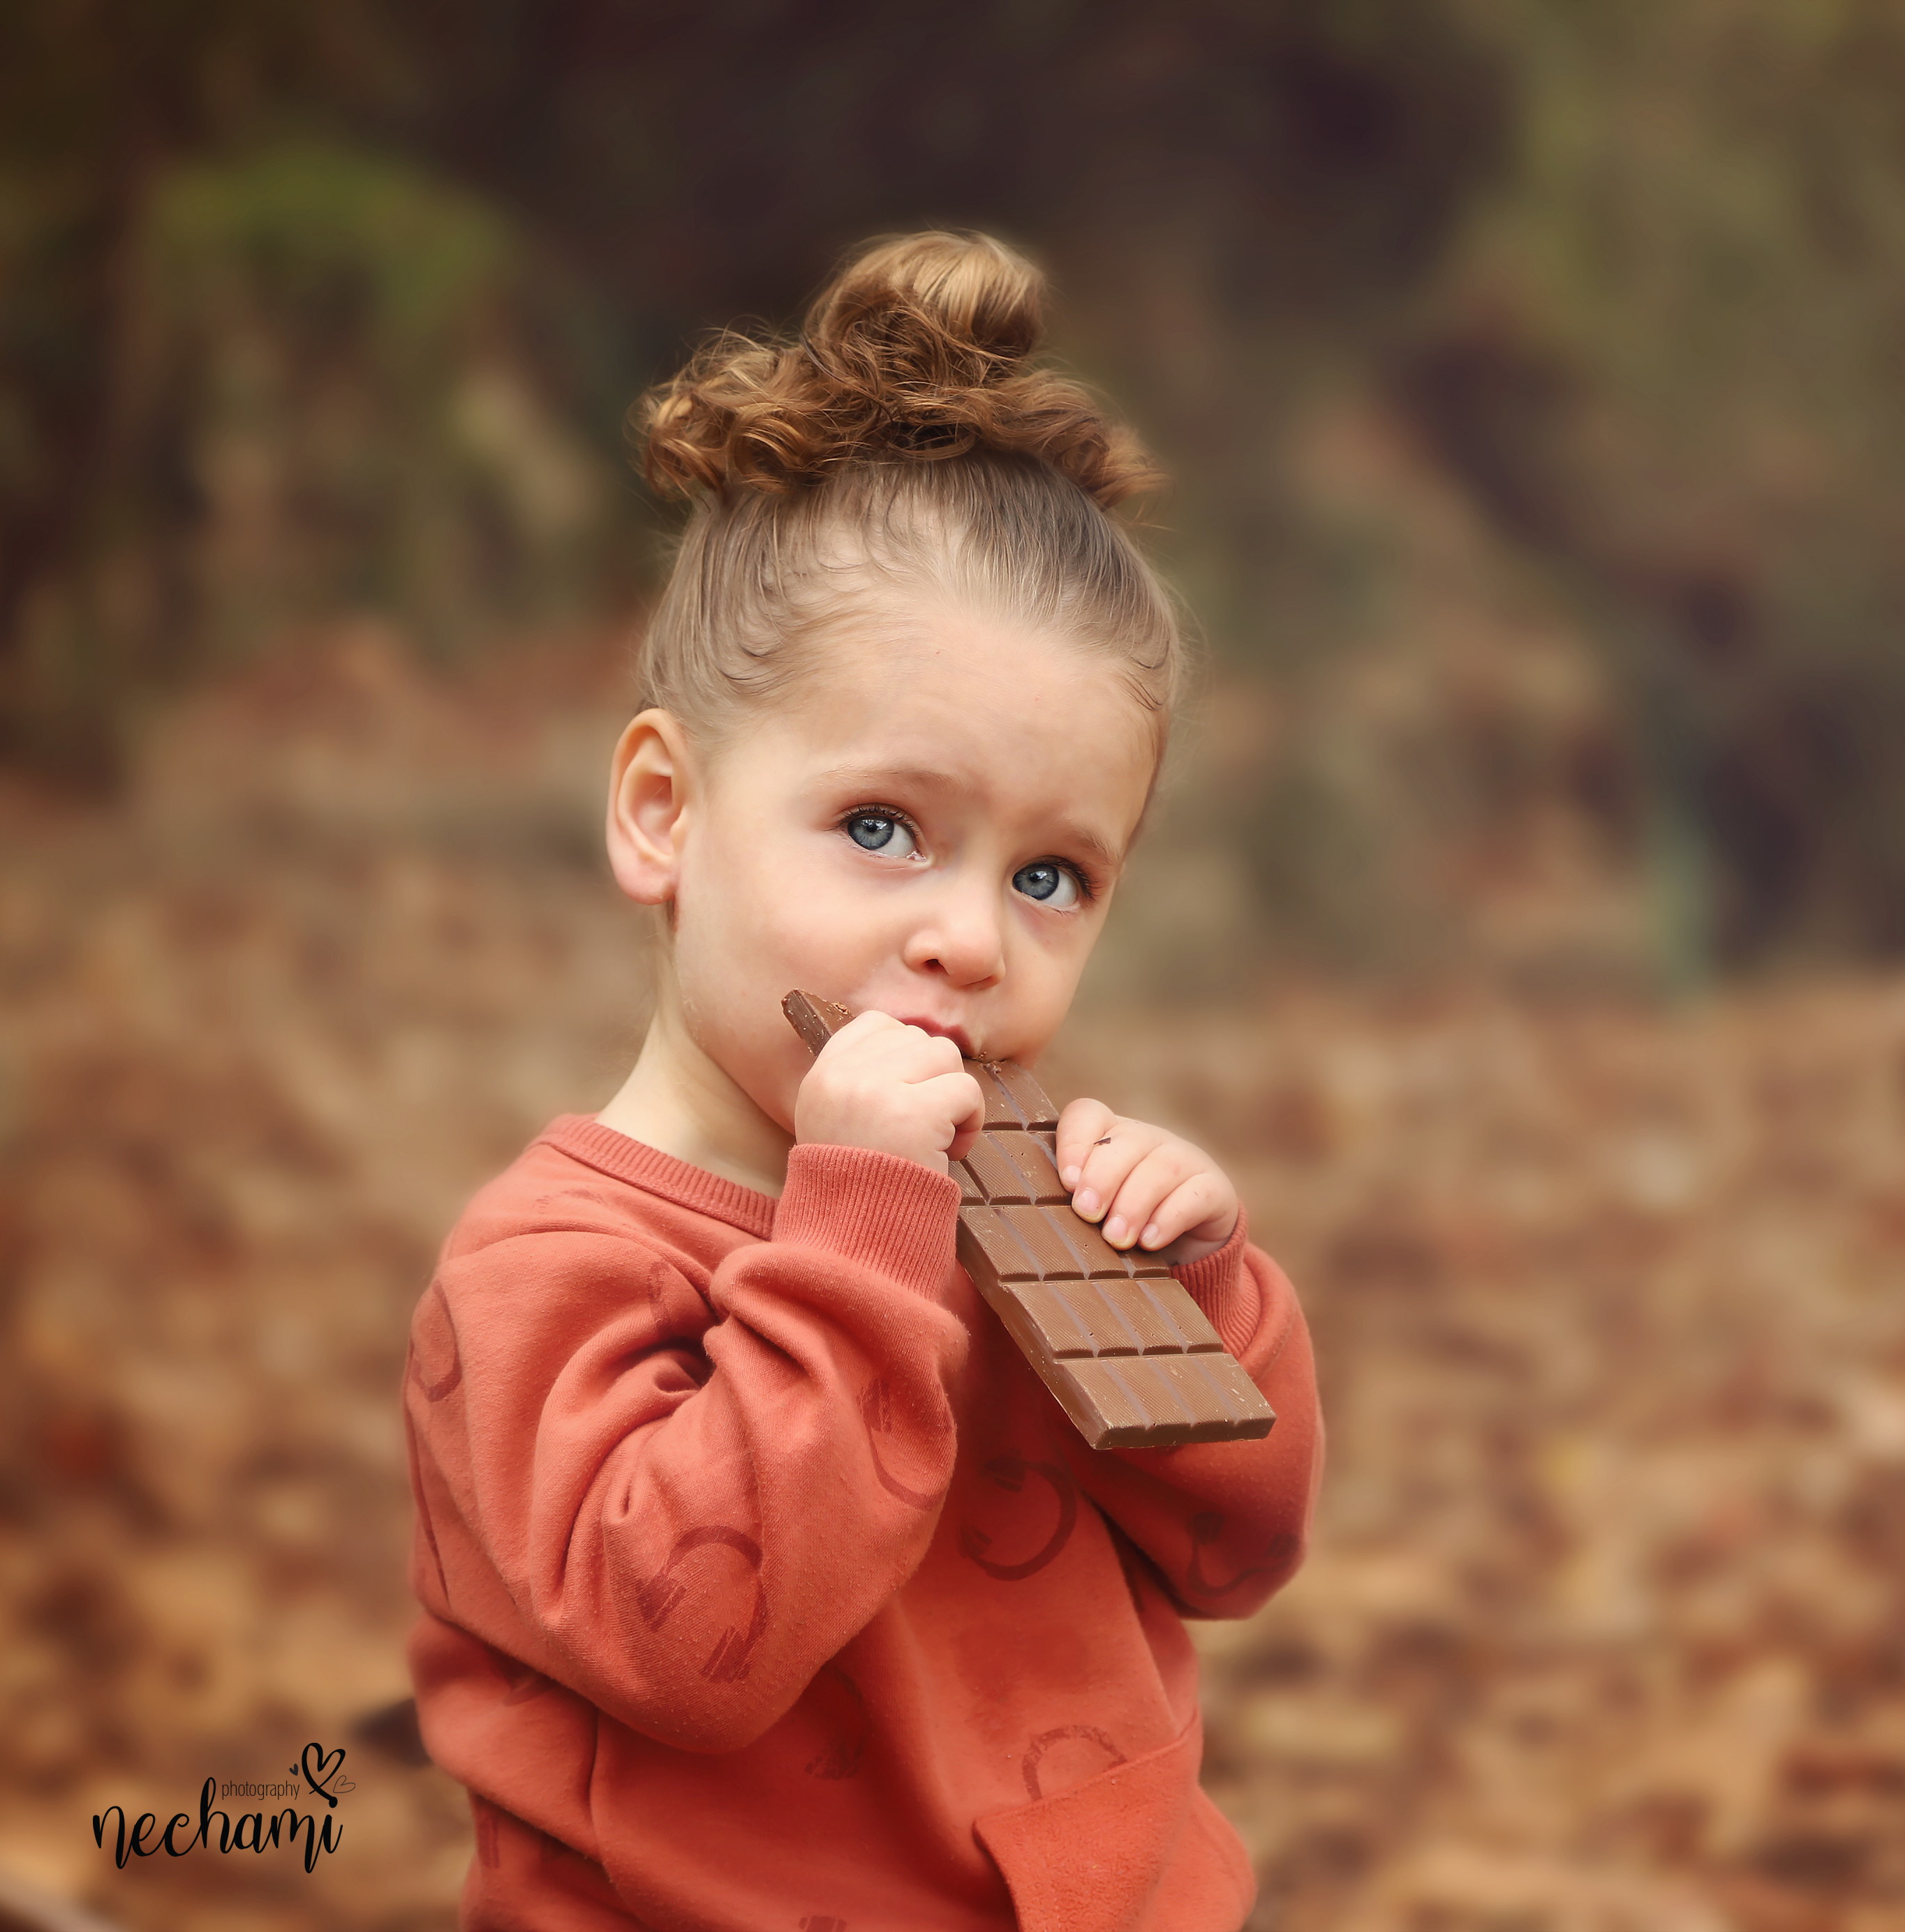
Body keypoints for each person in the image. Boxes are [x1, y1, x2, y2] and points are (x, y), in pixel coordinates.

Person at [399, 231, 1322, 1932]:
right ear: (665, 813)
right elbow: (688, 1650)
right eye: (883, 829)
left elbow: (1235, 1555)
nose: (970, 940)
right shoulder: (539, 1270)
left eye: (1051, 876)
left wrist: (1206, 1297)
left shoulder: (1035, 1199)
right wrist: (860, 1237)